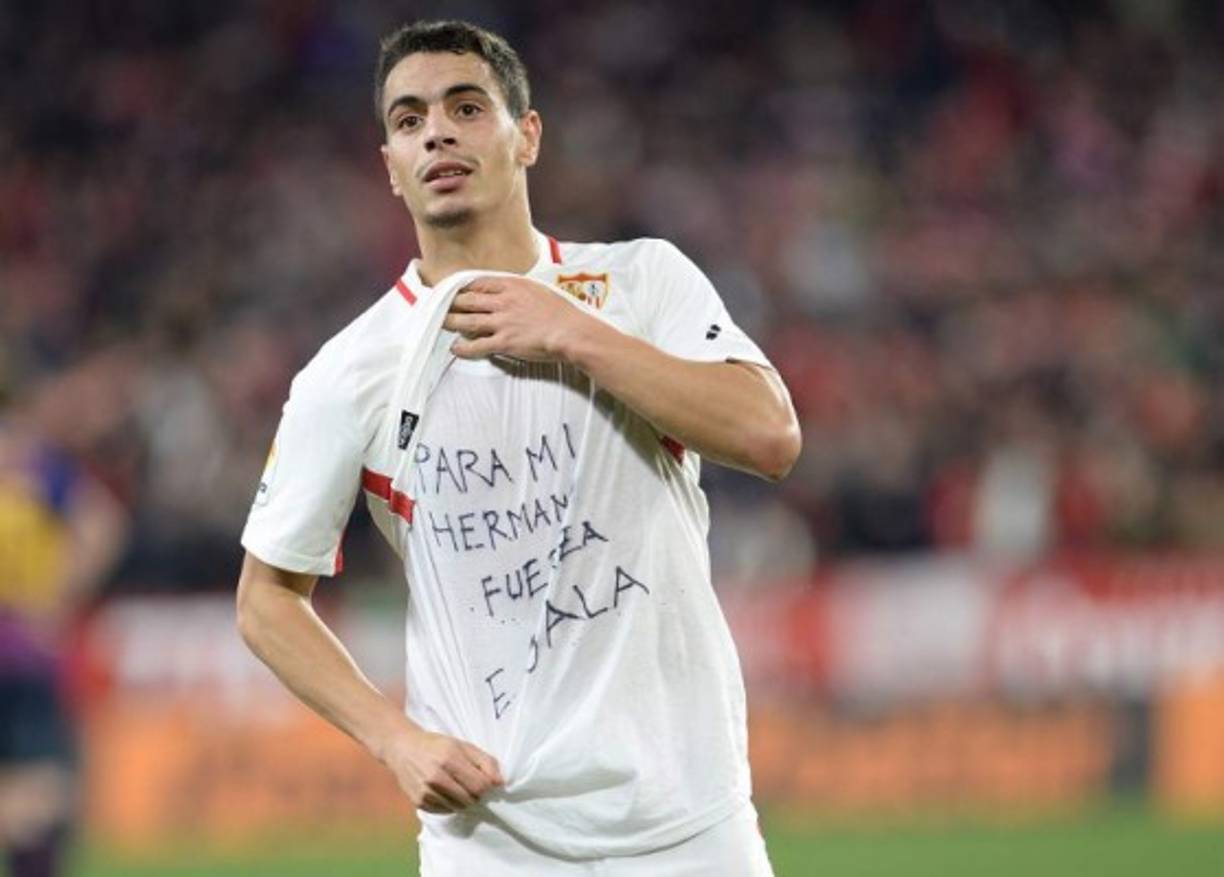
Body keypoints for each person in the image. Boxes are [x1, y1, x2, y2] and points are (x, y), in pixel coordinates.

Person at [236, 18, 800, 875]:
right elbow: (266, 598)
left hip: (690, 823)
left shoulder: (641, 281)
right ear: (390, 164)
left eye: (467, 107)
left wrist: (576, 333)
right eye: (409, 118)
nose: (437, 132)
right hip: (493, 842)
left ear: (526, 135)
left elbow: (769, 434)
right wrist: (394, 740)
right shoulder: (349, 371)